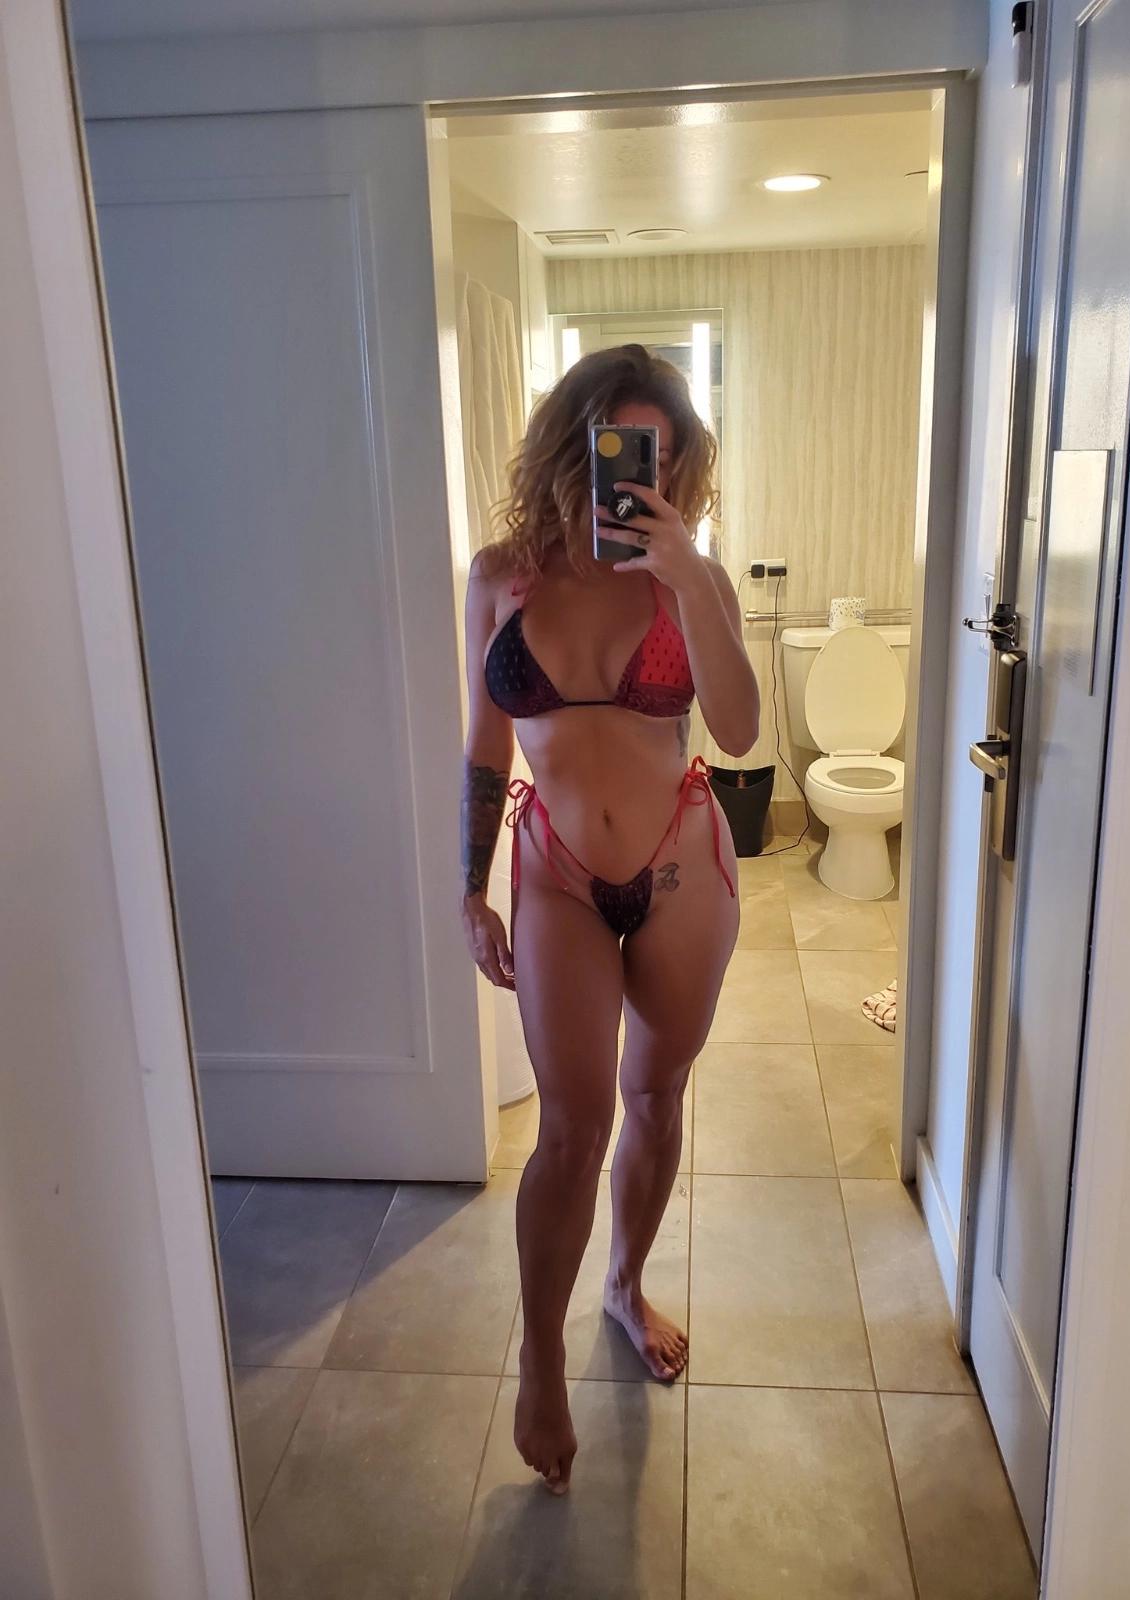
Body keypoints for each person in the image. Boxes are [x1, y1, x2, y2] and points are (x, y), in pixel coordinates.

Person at [459, 344, 759, 1494]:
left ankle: (626, 1285)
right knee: (571, 1128)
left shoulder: (693, 579)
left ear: (681, 469)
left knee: (655, 1094)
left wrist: (688, 575)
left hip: (680, 869)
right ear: (571, 445)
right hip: (555, 879)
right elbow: (485, 746)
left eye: (662, 459)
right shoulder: (500, 577)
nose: (642, 476)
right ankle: (540, 1357)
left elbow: (739, 730)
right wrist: (468, 887)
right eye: (622, 448)